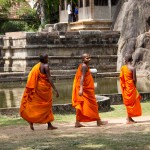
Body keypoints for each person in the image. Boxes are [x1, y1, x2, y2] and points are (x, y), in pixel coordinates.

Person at [20, 54, 59, 130]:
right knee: (47, 106)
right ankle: (48, 124)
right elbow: (49, 78)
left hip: (38, 88)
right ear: (44, 59)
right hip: (44, 89)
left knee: (36, 105)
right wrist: (55, 89)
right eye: (47, 58)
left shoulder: (37, 66)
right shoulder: (46, 66)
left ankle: (44, 123)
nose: (48, 59)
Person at [72, 53, 107, 127]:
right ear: (83, 59)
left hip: (86, 89)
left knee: (81, 105)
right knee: (93, 105)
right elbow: (82, 77)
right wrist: (81, 89)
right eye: (87, 58)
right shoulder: (84, 66)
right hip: (84, 89)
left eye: (89, 58)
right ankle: (98, 121)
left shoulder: (84, 66)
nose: (89, 59)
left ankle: (78, 122)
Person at [120, 54, 142, 124]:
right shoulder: (133, 68)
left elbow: (121, 78)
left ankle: (129, 118)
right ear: (131, 60)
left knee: (128, 103)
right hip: (131, 88)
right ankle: (128, 119)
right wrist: (135, 87)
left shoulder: (123, 68)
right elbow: (134, 79)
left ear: (126, 60)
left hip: (126, 88)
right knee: (132, 103)